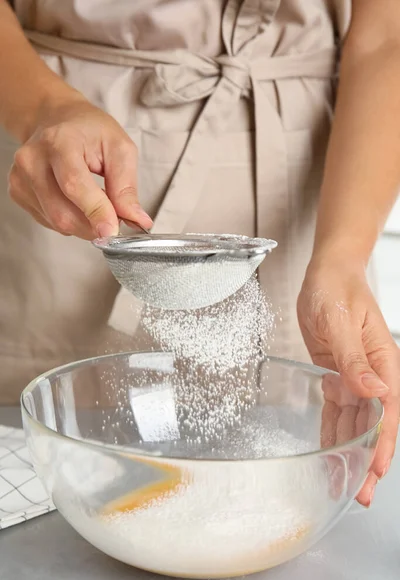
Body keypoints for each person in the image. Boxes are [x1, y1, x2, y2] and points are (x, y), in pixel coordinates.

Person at [0, 0, 398, 507]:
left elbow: (387, 36)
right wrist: (46, 108)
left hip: (316, 203)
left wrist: (343, 256)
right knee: (44, 492)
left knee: (279, 485)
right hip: (71, 176)